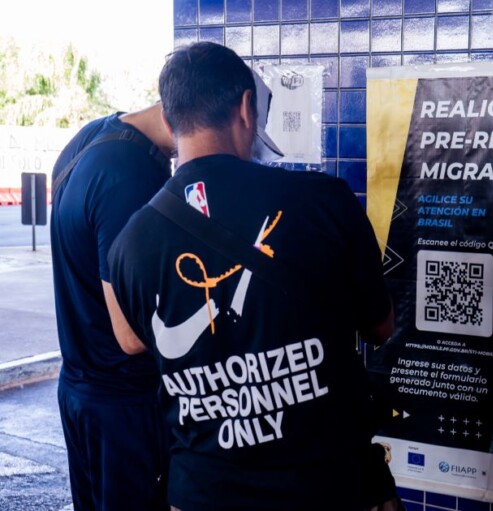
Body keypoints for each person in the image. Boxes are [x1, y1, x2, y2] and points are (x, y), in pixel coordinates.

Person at [107, 41, 401, 511]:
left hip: (201, 495)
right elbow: (380, 328)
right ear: (247, 108)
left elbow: (132, 341)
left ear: (168, 119)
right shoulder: (323, 201)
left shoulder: (130, 241)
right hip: (326, 489)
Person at [50, 103, 174, 510]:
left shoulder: (92, 136)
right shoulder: (130, 174)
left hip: (81, 391)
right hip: (123, 408)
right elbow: (131, 335)